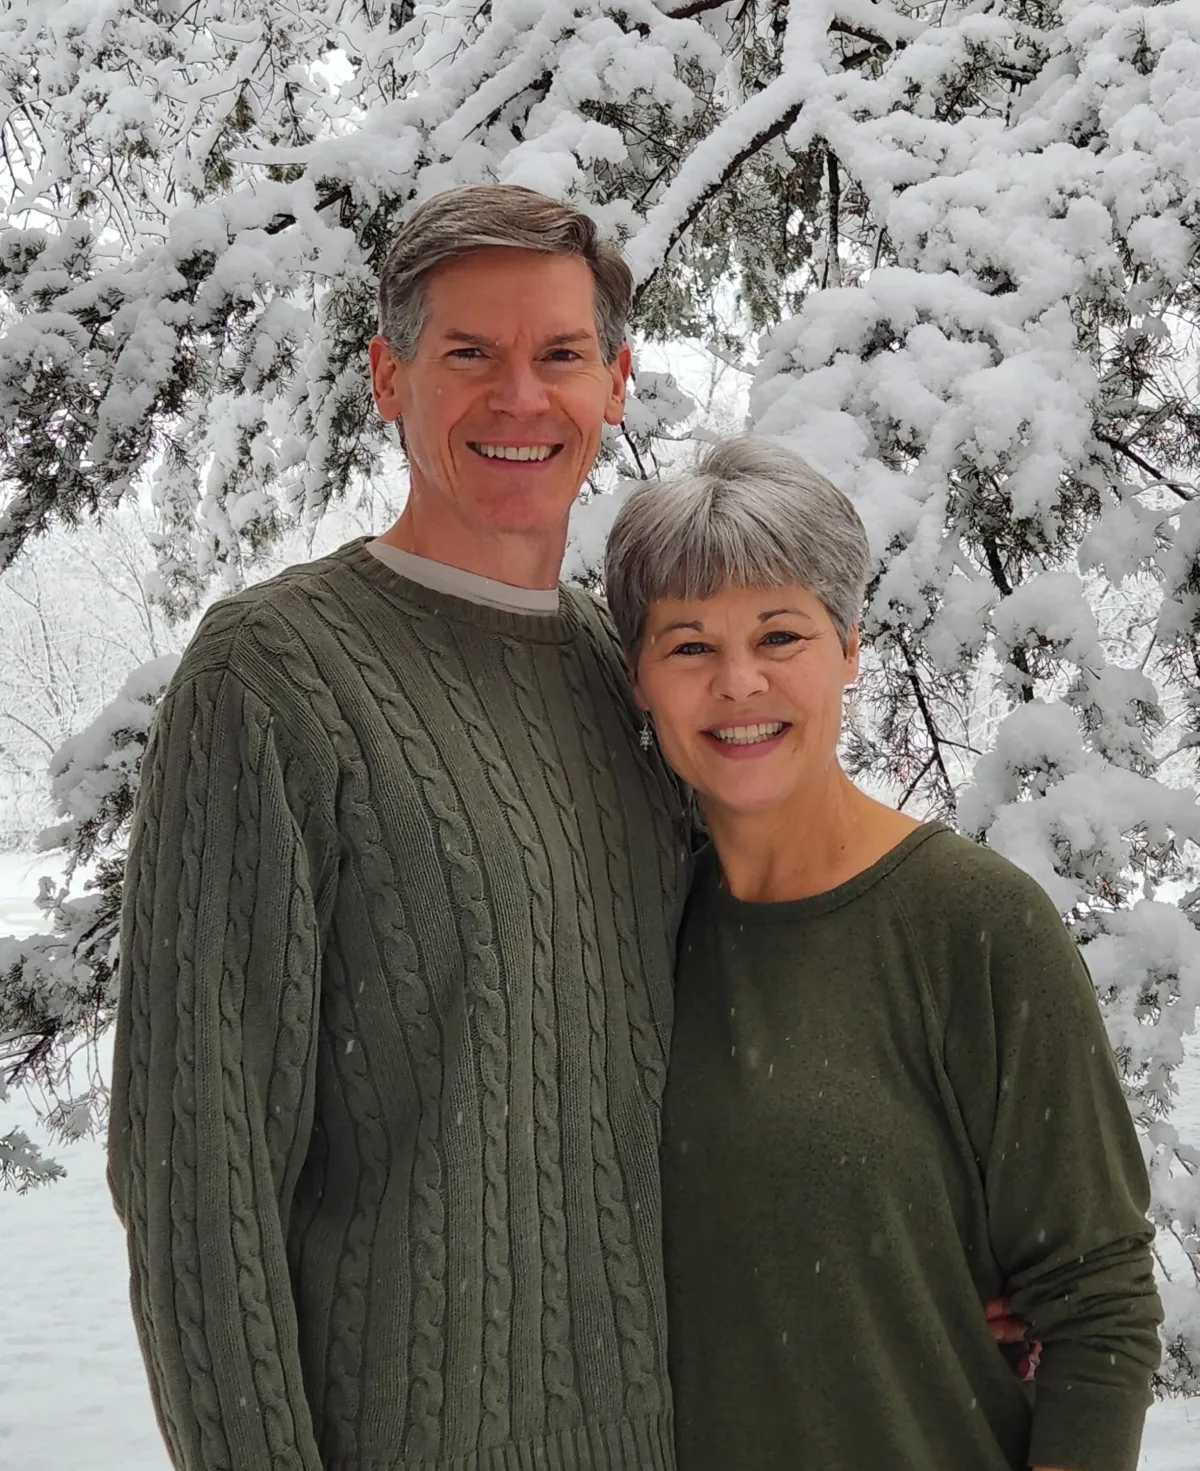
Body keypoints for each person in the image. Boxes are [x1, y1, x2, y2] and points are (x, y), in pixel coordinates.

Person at [106, 184, 693, 1470]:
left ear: (617, 380)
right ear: (388, 378)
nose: (519, 399)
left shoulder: (634, 678)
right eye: (467, 355)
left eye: (559, 355)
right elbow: (199, 1175)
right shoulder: (271, 676)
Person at [604, 436, 1163, 1471]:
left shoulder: (974, 925)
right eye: (688, 645)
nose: (739, 681)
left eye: (780, 633)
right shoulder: (630, 935)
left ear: (851, 643)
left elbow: (1100, 1307)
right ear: (637, 673)